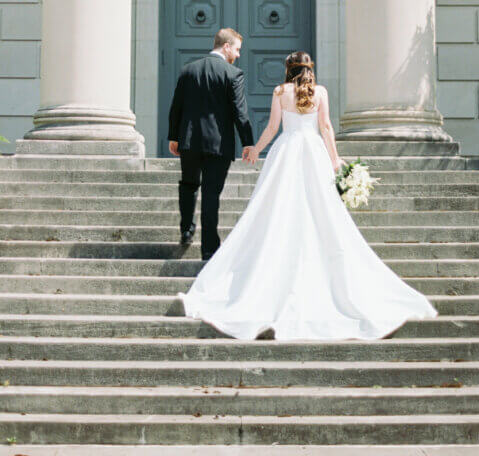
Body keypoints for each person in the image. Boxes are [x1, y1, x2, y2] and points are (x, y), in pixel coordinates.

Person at [178, 51, 439, 340]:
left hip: (286, 151)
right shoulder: (321, 92)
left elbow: (273, 128)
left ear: (288, 69)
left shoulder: (280, 92)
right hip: (314, 152)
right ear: (310, 69)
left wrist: (255, 149)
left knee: (277, 209)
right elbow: (326, 127)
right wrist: (336, 159)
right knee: (322, 211)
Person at [168, 28, 255, 261]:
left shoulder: (188, 70)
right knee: (210, 194)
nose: (237, 55)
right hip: (218, 145)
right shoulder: (233, 74)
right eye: (236, 49)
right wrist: (248, 142)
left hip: (189, 140)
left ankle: (186, 229)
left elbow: (176, 107)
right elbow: (240, 112)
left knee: (188, 184)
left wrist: (173, 136)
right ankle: (209, 248)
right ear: (226, 46)